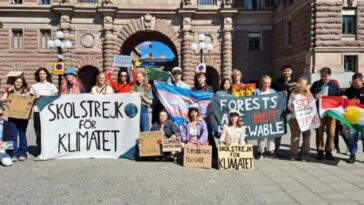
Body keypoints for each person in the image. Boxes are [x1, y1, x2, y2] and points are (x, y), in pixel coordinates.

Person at [310, 67, 340, 160]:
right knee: (319, 132)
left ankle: (329, 151)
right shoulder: (316, 83)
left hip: (331, 112)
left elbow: (338, 95)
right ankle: (320, 151)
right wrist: (315, 95)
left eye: (326, 76)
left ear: (329, 75)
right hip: (319, 112)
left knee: (331, 133)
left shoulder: (334, 84)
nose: (324, 78)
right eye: (322, 76)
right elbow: (310, 95)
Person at [30, 68, 58, 156]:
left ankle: (49, 149)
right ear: (38, 75)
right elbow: (30, 101)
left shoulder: (52, 86)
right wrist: (35, 97)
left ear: (46, 75)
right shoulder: (34, 86)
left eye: (43, 73)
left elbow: (56, 98)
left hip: (48, 112)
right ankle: (40, 149)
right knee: (38, 131)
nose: (42, 75)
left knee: (49, 130)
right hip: (37, 111)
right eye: (40, 73)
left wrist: (53, 96)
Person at [1, 76, 30, 161]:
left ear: (23, 83)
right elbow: (2, 99)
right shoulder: (9, 90)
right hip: (12, 116)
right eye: (17, 82)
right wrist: (8, 91)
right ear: (14, 82)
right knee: (12, 135)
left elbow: (30, 100)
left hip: (23, 117)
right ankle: (14, 154)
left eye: (20, 82)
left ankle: (23, 153)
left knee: (22, 134)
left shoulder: (25, 91)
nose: (18, 84)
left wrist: (26, 95)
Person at [271, 65, 296, 158]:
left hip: (291, 111)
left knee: (294, 133)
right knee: (278, 132)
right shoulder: (276, 83)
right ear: (282, 72)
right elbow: (271, 95)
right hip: (280, 111)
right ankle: (275, 151)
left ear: (291, 71)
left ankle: (293, 153)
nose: (287, 72)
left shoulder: (295, 83)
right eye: (285, 71)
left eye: (288, 70)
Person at [287, 77, 312, 161]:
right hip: (295, 118)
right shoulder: (293, 93)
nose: (302, 86)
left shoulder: (308, 93)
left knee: (307, 136)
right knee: (295, 137)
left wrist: (309, 93)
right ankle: (293, 154)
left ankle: (304, 155)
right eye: (301, 84)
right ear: (298, 83)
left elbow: (312, 105)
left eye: (304, 84)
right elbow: (289, 106)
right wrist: (293, 106)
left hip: (306, 119)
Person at [253, 75, 277, 159]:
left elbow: (277, 101)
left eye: (268, 83)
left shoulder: (273, 92)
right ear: (262, 83)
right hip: (260, 116)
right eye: (265, 83)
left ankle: (271, 151)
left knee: (271, 133)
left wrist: (283, 95)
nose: (267, 85)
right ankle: (260, 151)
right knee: (261, 133)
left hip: (270, 116)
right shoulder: (256, 91)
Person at [344, 73, 364, 163]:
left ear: (362, 81)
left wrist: (360, 102)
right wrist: (344, 98)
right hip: (352, 119)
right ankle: (352, 154)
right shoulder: (349, 90)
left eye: (356, 83)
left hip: (363, 118)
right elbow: (344, 101)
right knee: (352, 136)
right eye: (353, 83)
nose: (354, 85)